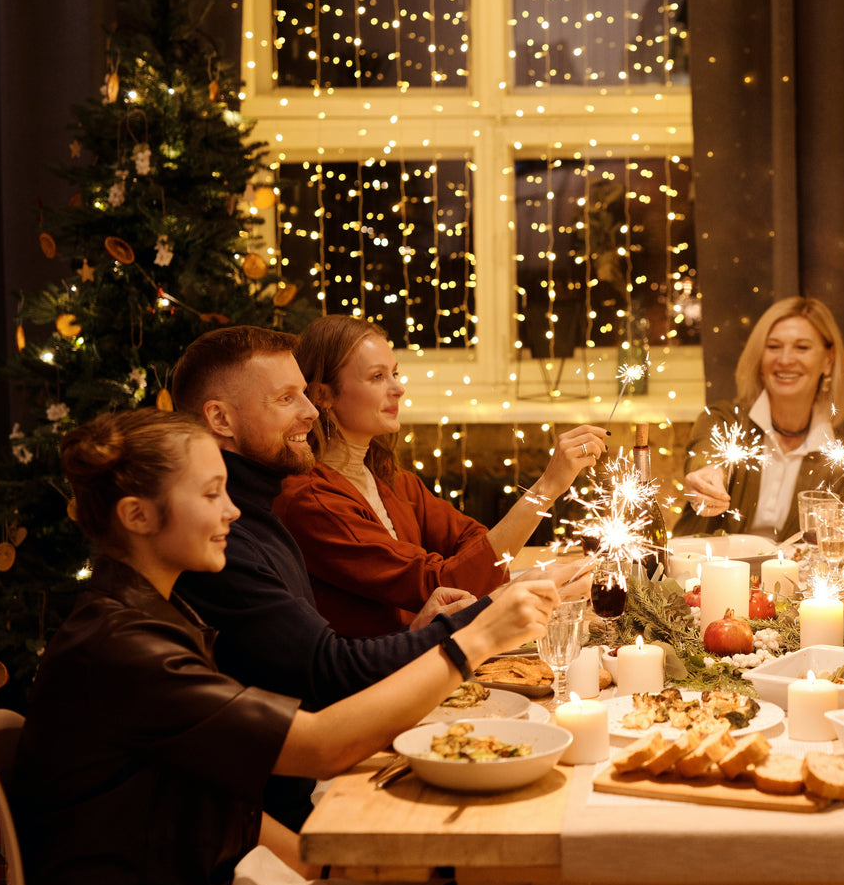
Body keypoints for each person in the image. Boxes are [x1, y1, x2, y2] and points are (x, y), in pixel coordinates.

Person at [13, 409, 557, 885]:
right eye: (210, 495)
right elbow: (320, 748)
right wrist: (477, 638)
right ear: (137, 516)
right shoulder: (124, 646)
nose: (231, 512)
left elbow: (223, 798)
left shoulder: (160, 614)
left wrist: (325, 873)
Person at [166, 325, 583, 828]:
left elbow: (475, 551)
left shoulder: (383, 482)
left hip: (368, 724)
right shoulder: (287, 507)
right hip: (327, 774)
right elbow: (329, 675)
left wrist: (429, 628)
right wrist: (480, 625)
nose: (309, 413)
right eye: (287, 398)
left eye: (396, 373)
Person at [275, 314, 606, 636]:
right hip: (385, 675)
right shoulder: (312, 500)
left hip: (430, 648)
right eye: (377, 377)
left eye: (395, 373)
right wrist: (548, 486)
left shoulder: (389, 478)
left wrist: (501, 575)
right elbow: (439, 580)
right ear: (323, 395)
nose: (398, 388)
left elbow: (474, 541)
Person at [674, 296, 844, 541]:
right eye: (773, 347)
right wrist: (707, 476)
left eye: (802, 347)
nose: (785, 359)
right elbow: (707, 453)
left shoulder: (843, 460)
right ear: (760, 359)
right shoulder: (724, 420)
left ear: (828, 359)